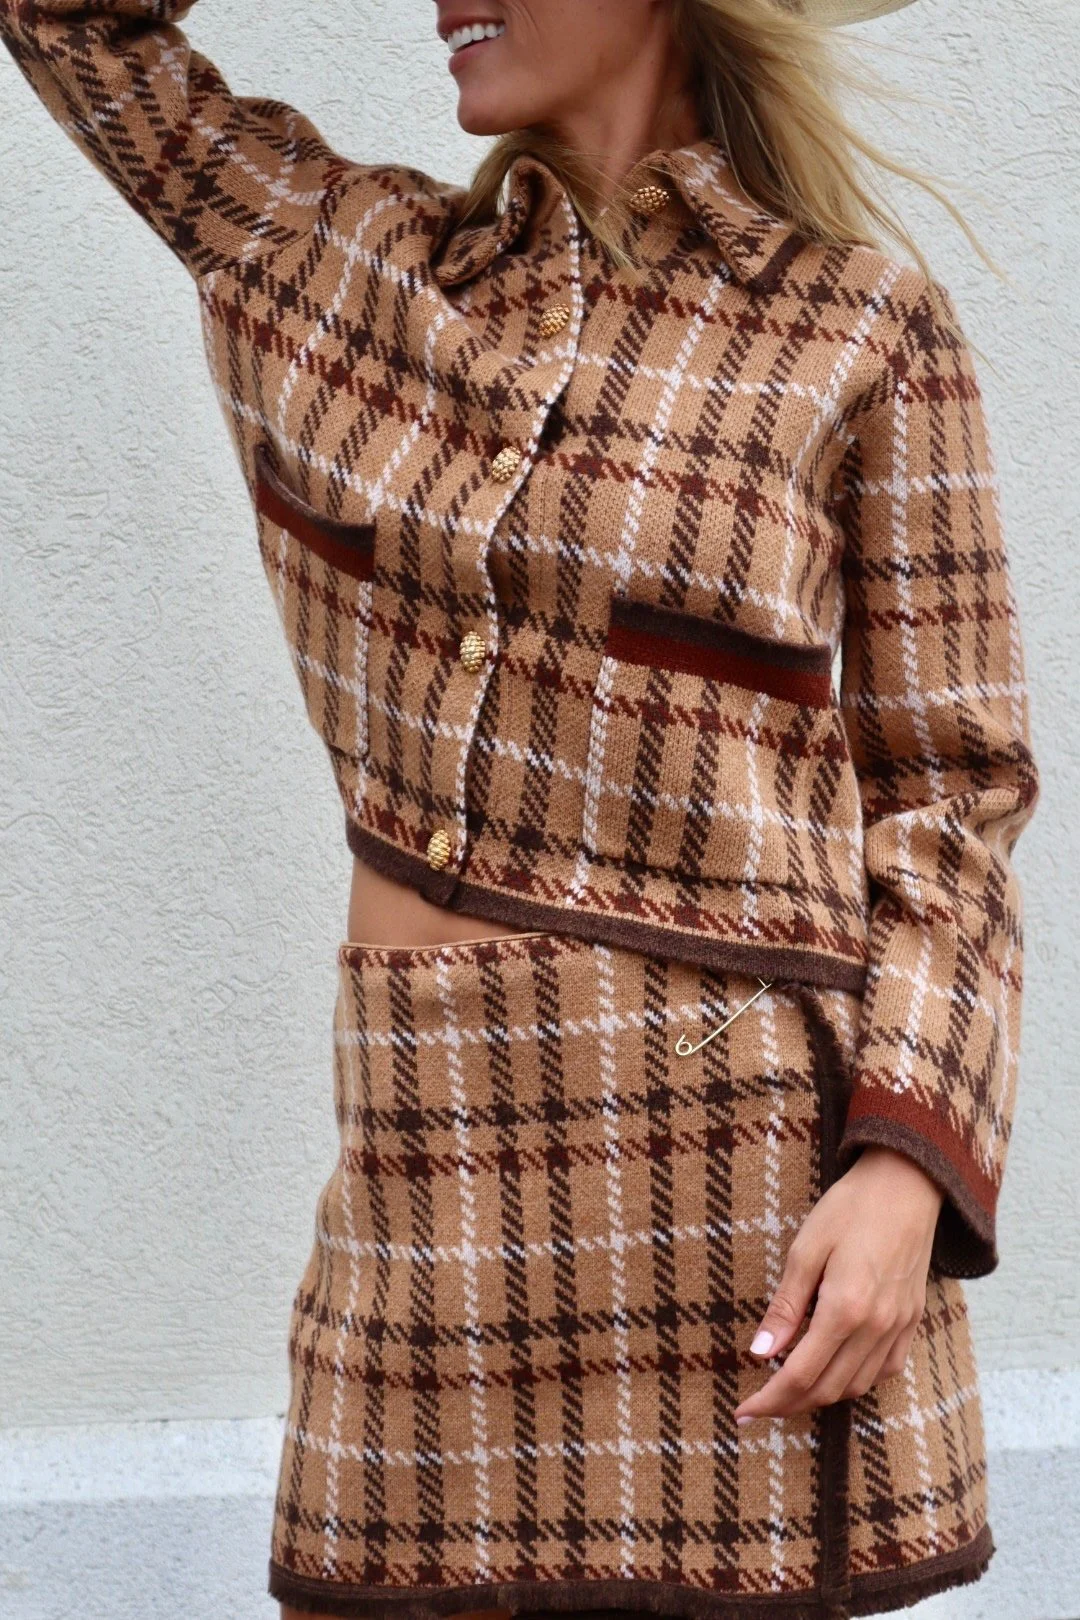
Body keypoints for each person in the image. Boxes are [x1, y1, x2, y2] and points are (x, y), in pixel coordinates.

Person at [0, 0, 1040, 1616]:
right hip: (429, 1172)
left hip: (741, 1184)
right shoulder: (339, 259)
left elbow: (952, 799)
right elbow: (76, 26)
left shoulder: (860, 323)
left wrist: (909, 1169)